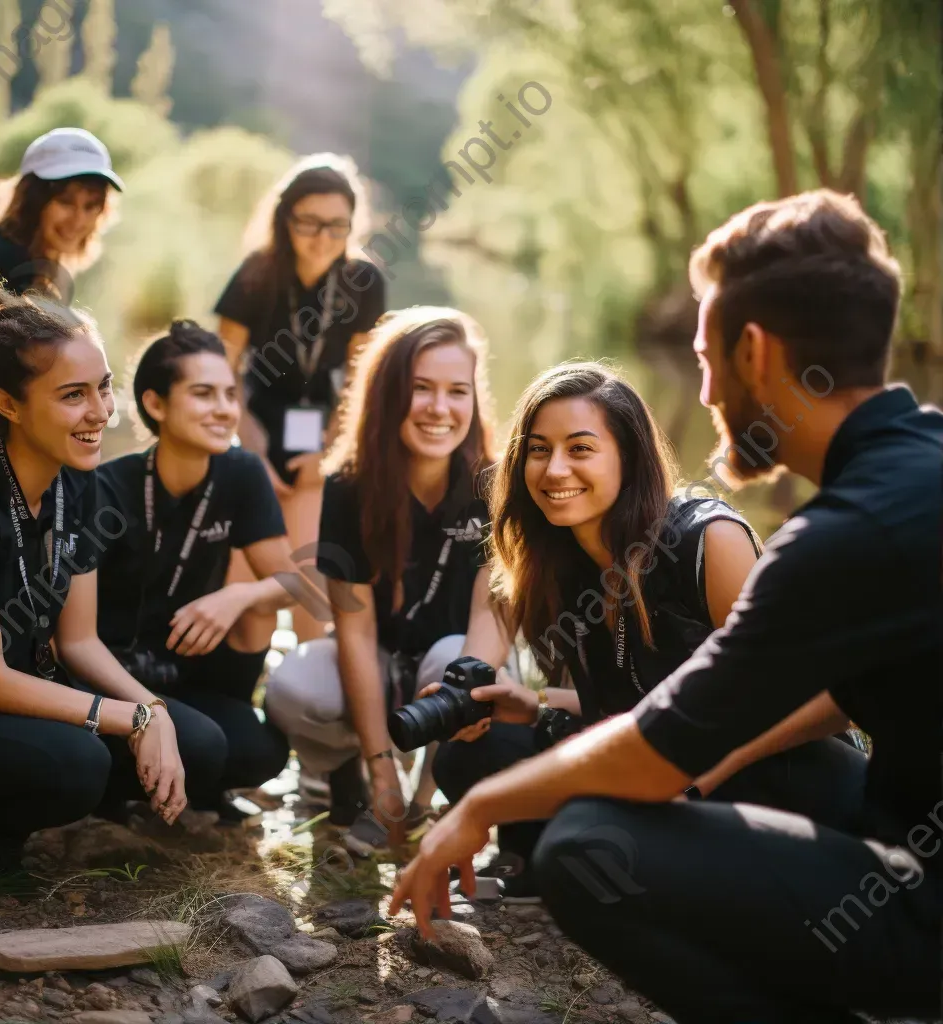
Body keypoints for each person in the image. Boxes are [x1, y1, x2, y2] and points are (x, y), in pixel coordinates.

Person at [390, 190, 943, 1023]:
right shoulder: (918, 473)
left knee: (583, 849)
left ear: (753, 351)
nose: (707, 390)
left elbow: (665, 746)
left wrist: (475, 810)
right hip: (896, 832)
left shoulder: (838, 532)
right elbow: (835, 690)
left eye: (703, 354)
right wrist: (544, 706)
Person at [430, 362, 870, 901]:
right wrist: (538, 703)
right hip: (661, 763)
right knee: (475, 751)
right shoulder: (557, 556)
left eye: (581, 448)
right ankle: (534, 869)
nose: (553, 469)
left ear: (630, 459)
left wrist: (692, 775)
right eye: (538, 449)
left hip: (768, 772)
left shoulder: (707, 541)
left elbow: (829, 700)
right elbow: (640, 707)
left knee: (599, 838)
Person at [0, 281, 226, 881]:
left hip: (18, 691)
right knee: (78, 762)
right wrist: (128, 720)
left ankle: (69, 813)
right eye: (73, 395)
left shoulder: (75, 475)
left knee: (203, 743)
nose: (101, 412)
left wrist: (151, 711)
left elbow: (77, 642)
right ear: (8, 404)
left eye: (104, 387)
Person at [263, 307, 512, 857]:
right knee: (292, 689)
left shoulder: (495, 485)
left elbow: (488, 622)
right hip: (375, 659)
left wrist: (420, 799)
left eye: (457, 391)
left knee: (464, 660)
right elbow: (352, 628)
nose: (439, 408)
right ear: (386, 394)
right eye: (420, 388)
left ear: (475, 399)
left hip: (448, 666)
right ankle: (350, 767)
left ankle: (433, 794)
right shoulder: (349, 486)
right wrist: (383, 775)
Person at [95, 321, 298, 823]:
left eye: (230, 394)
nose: (224, 409)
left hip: (185, 674)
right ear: (156, 404)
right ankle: (102, 790)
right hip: (108, 681)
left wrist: (237, 597)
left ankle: (178, 781)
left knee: (264, 753)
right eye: (203, 394)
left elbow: (296, 583)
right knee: (205, 748)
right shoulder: (105, 488)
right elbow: (64, 636)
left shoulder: (242, 473)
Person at [215, 153, 386, 643]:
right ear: (285, 218)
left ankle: (306, 688)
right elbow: (218, 374)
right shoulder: (255, 274)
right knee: (243, 574)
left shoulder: (364, 282)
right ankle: (235, 677)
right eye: (309, 222)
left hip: (323, 433)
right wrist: (251, 448)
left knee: (313, 566)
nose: (322, 238)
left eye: (337, 226)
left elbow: (363, 379)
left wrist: (327, 451)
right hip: (251, 427)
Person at [0, 127, 122, 437]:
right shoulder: (3, 261)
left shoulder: (36, 259)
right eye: (66, 202)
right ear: (32, 200)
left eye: (91, 206)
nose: (79, 220)